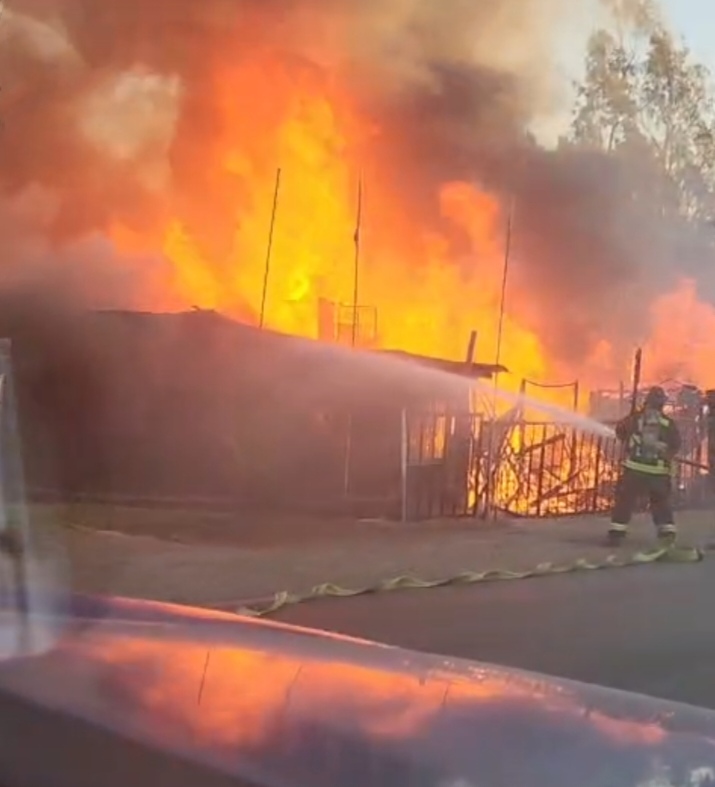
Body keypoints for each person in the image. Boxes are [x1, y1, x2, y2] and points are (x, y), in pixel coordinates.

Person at [608, 385, 681, 543]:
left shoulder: (635, 419)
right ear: (662, 404)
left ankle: (616, 534)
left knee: (624, 502)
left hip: (634, 470)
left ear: (647, 402)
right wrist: (666, 453)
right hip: (658, 473)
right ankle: (667, 535)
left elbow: (620, 431)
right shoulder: (668, 423)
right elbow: (676, 444)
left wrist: (631, 439)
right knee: (660, 503)